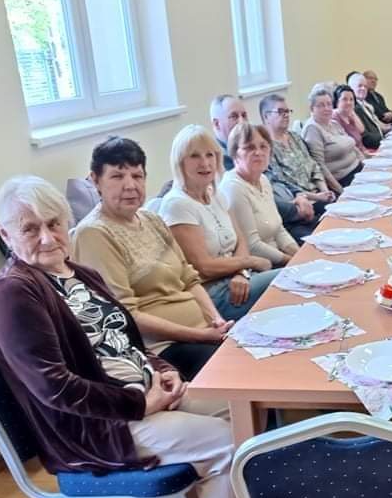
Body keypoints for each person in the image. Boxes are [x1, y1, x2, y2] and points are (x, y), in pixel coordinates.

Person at [0, 175, 256, 498]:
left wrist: (165, 373)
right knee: (231, 443)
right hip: (98, 427)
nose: (47, 238)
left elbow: (127, 343)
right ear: (5, 233)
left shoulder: (80, 275)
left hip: (142, 398)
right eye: (29, 229)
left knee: (242, 407)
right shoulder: (15, 294)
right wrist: (140, 403)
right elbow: (55, 388)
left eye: (53, 223)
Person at [72, 137, 232, 382]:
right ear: (95, 180)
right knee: (241, 369)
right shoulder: (93, 233)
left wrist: (216, 320)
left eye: (137, 176)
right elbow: (127, 314)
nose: (130, 186)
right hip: (164, 348)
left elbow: (189, 279)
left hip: (203, 331)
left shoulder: (151, 219)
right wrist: (200, 336)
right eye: (117, 176)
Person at [158, 124, 279, 321]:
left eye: (210, 155)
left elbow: (241, 240)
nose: (205, 163)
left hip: (240, 280)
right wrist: (249, 262)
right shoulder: (177, 204)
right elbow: (203, 266)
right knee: (288, 280)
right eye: (195, 156)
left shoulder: (215, 193)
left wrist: (241, 273)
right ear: (180, 162)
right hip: (212, 293)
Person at [219, 124, 300, 267]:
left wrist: (300, 254)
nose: (258, 152)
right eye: (249, 147)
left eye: (263, 146)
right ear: (235, 154)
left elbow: (279, 230)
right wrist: (293, 262)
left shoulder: (263, 179)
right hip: (260, 265)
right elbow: (252, 245)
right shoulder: (233, 187)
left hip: (279, 257)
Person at [259, 92, 334, 242]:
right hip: (302, 205)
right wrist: (316, 197)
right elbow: (283, 184)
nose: (286, 115)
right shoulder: (266, 147)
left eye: (287, 111)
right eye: (281, 111)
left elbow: (313, 165)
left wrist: (324, 190)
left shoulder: (294, 137)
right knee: (328, 234)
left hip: (319, 195)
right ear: (266, 117)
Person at [303, 85, 364, 193]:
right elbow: (319, 166)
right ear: (312, 108)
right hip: (344, 180)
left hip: (359, 171)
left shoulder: (333, 123)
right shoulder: (312, 129)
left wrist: (367, 165)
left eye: (329, 104)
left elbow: (354, 147)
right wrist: (341, 191)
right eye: (321, 105)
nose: (327, 108)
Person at [210, 94, 250, 171]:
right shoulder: (216, 158)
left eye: (244, 115)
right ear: (217, 124)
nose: (242, 121)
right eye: (234, 116)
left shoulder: (254, 146)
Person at [348, 72, 388, 148]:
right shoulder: (354, 108)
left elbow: (378, 127)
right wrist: (386, 139)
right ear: (351, 89)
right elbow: (366, 138)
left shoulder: (366, 105)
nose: (363, 89)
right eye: (360, 86)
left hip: (380, 141)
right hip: (373, 147)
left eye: (365, 86)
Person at [332, 84, 369, 154]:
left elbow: (362, 130)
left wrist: (352, 112)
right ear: (337, 102)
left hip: (364, 152)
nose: (349, 102)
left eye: (351, 99)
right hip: (353, 157)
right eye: (344, 99)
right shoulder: (334, 118)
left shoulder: (350, 115)